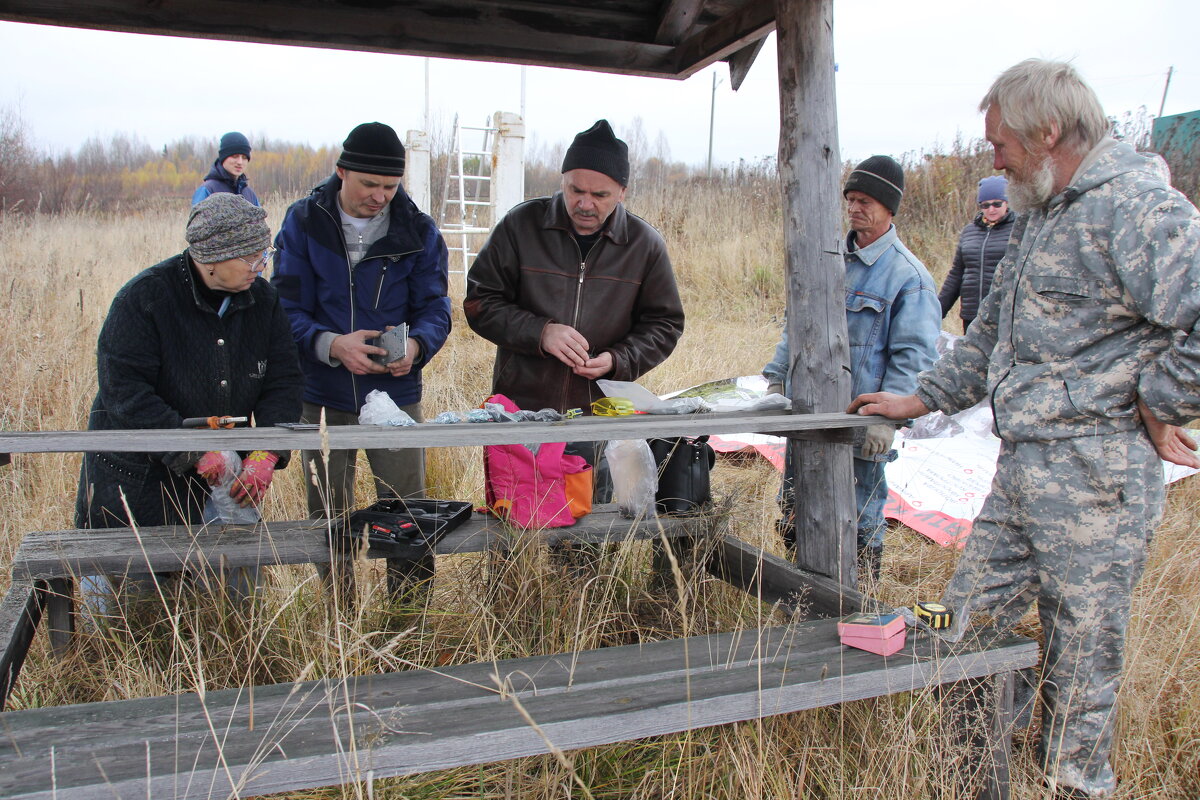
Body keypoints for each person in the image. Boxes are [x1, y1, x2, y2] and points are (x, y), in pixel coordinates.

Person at [848, 59, 1200, 800]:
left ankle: (1076, 787)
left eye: (1001, 143)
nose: (993, 158)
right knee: (960, 622)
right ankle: (974, 779)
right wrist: (923, 399)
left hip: (1098, 481)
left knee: (1081, 658)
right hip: (1019, 474)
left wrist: (1160, 394)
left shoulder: (1139, 210)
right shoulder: (1041, 214)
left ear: (1047, 133)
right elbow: (989, 336)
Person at [75, 193, 303, 600]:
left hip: (224, 485)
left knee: (232, 596)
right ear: (212, 257)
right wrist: (193, 448)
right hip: (138, 483)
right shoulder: (145, 299)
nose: (260, 265)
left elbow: (283, 381)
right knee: (139, 601)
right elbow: (124, 392)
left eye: (263, 253)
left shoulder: (263, 301)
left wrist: (266, 451)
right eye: (250, 257)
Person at [271, 121, 451, 603]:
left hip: (394, 400)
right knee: (328, 519)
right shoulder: (303, 222)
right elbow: (283, 309)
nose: (380, 197)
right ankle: (340, 617)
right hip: (321, 399)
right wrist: (332, 344)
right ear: (341, 171)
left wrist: (416, 349)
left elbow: (435, 308)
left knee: (407, 517)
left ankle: (407, 621)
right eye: (369, 184)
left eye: (390, 187)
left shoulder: (419, 229)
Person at [463, 119, 684, 475]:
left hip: (598, 414)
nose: (585, 204)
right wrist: (541, 332)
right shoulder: (520, 226)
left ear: (623, 192)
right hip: (520, 410)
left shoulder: (644, 245)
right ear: (561, 181)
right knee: (518, 521)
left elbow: (665, 323)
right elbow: (480, 302)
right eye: (575, 190)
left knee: (591, 520)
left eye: (600, 195)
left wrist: (617, 359)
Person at [763, 155, 940, 580]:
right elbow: (798, 325)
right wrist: (775, 378)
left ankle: (858, 609)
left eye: (866, 201)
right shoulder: (825, 262)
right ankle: (799, 605)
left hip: (861, 423)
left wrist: (886, 418)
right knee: (795, 512)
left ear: (889, 207)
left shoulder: (908, 277)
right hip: (808, 414)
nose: (856, 208)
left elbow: (913, 356)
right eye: (851, 199)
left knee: (858, 520)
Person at [937, 175, 1015, 330]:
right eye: (985, 205)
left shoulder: (1019, 228)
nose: (991, 209)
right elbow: (956, 274)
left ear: (1007, 202)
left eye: (997, 204)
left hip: (1005, 316)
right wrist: (937, 312)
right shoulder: (969, 231)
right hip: (972, 316)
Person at [192, 132, 261, 207]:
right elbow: (197, 218)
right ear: (223, 158)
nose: (240, 162)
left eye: (244, 157)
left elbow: (260, 218)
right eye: (235, 156)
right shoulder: (208, 190)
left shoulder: (250, 194)